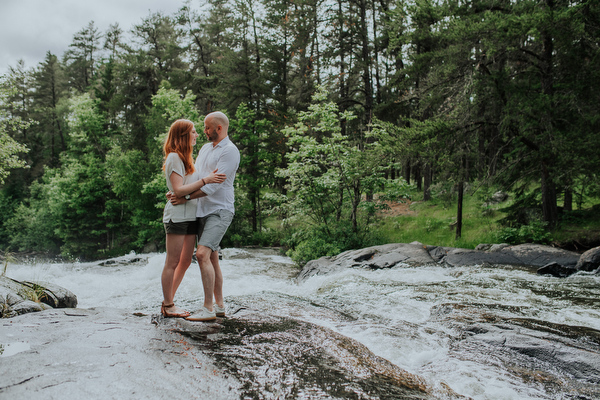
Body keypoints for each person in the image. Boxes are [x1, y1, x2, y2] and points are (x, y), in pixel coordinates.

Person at [171, 112, 240, 321]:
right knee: (212, 259)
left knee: (201, 254)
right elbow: (198, 177)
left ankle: (207, 309)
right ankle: (219, 306)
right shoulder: (204, 149)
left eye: (207, 127)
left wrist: (185, 197)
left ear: (219, 128)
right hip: (201, 210)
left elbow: (213, 186)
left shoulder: (230, 152)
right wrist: (179, 190)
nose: (204, 131)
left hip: (220, 210)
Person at [160, 119, 226, 318]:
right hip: (177, 217)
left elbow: (184, 187)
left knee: (186, 261)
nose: (197, 135)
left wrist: (204, 180)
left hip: (191, 216)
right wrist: (205, 180)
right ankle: (168, 305)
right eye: (193, 132)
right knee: (172, 262)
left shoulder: (186, 158)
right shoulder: (173, 157)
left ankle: (169, 301)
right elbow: (179, 189)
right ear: (183, 136)